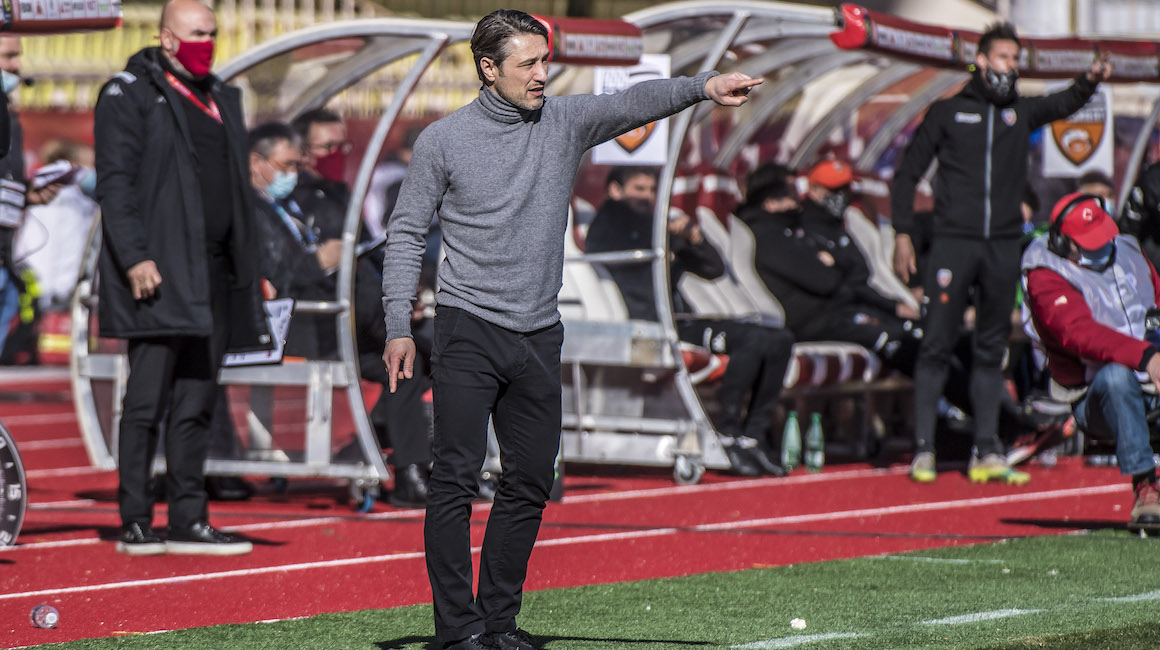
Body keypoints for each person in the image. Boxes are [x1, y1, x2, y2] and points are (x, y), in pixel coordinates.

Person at [381, 10, 762, 649]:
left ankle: (497, 624)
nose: (542, 74)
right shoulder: (443, 140)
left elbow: (634, 102)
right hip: (467, 327)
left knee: (531, 481)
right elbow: (405, 234)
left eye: (544, 60)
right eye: (527, 63)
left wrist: (704, 86)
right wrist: (398, 324)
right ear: (488, 68)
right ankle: (456, 631)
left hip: (539, 333)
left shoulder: (563, 121)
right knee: (455, 480)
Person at [890, 21, 1111, 484]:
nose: (1011, 67)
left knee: (992, 349)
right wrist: (903, 234)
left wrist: (1089, 81)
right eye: (1004, 57)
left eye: (1016, 60)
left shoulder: (1020, 113)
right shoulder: (947, 113)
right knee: (936, 343)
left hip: (1002, 246)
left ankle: (987, 448)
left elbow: (1064, 103)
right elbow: (907, 174)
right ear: (983, 60)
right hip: (953, 244)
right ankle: (924, 449)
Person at [94, 0, 272, 556]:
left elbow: (237, 193)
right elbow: (115, 184)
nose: (207, 44)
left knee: (197, 400)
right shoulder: (129, 92)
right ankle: (135, 518)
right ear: (166, 38)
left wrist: (252, 267)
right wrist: (135, 258)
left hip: (214, 271)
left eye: (212, 34)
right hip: (160, 271)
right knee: (146, 400)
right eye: (197, 34)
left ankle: (188, 518)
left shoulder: (221, 96)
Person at [248, 121, 430, 507]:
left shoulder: (312, 198)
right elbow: (276, 273)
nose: (295, 172)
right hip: (301, 324)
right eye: (288, 165)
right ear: (257, 162)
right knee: (424, 342)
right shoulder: (252, 208)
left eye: (341, 147)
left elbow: (361, 244)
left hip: (335, 319)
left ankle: (404, 466)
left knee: (408, 363)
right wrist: (320, 261)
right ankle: (385, 452)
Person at [585, 166, 793, 477]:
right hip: (650, 328)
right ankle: (727, 433)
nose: (648, 197)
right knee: (752, 341)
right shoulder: (608, 225)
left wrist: (693, 237)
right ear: (615, 190)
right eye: (639, 189)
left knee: (779, 339)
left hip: (678, 322)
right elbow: (619, 255)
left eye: (652, 190)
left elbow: (713, 269)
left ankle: (752, 436)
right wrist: (663, 239)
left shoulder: (656, 228)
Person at [1022, 193, 1159, 529]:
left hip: (1151, 373)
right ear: (1061, 242)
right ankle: (1147, 487)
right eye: (1088, 242)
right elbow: (1079, 334)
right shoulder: (1044, 274)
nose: (1100, 246)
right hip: (1094, 393)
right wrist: (1147, 357)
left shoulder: (1129, 250)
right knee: (1115, 376)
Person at [0, 35, 61, 357]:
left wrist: (27, 195)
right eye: (8, 55)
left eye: (17, 55)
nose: (16, 65)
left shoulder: (10, 118)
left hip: (5, 256)